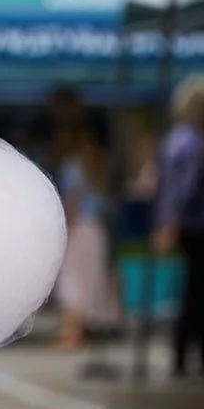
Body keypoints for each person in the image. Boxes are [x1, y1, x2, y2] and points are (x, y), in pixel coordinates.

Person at [154, 74, 204, 378]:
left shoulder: (184, 140)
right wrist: (171, 221)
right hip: (197, 225)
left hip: (198, 223)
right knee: (200, 293)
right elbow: (183, 187)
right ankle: (191, 359)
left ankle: (193, 358)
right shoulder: (189, 142)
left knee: (201, 292)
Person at [53, 111, 120, 348]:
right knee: (91, 279)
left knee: (71, 279)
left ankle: (72, 330)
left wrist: (65, 230)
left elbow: (73, 199)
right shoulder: (99, 163)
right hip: (97, 228)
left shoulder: (73, 164)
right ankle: (84, 327)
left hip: (80, 226)